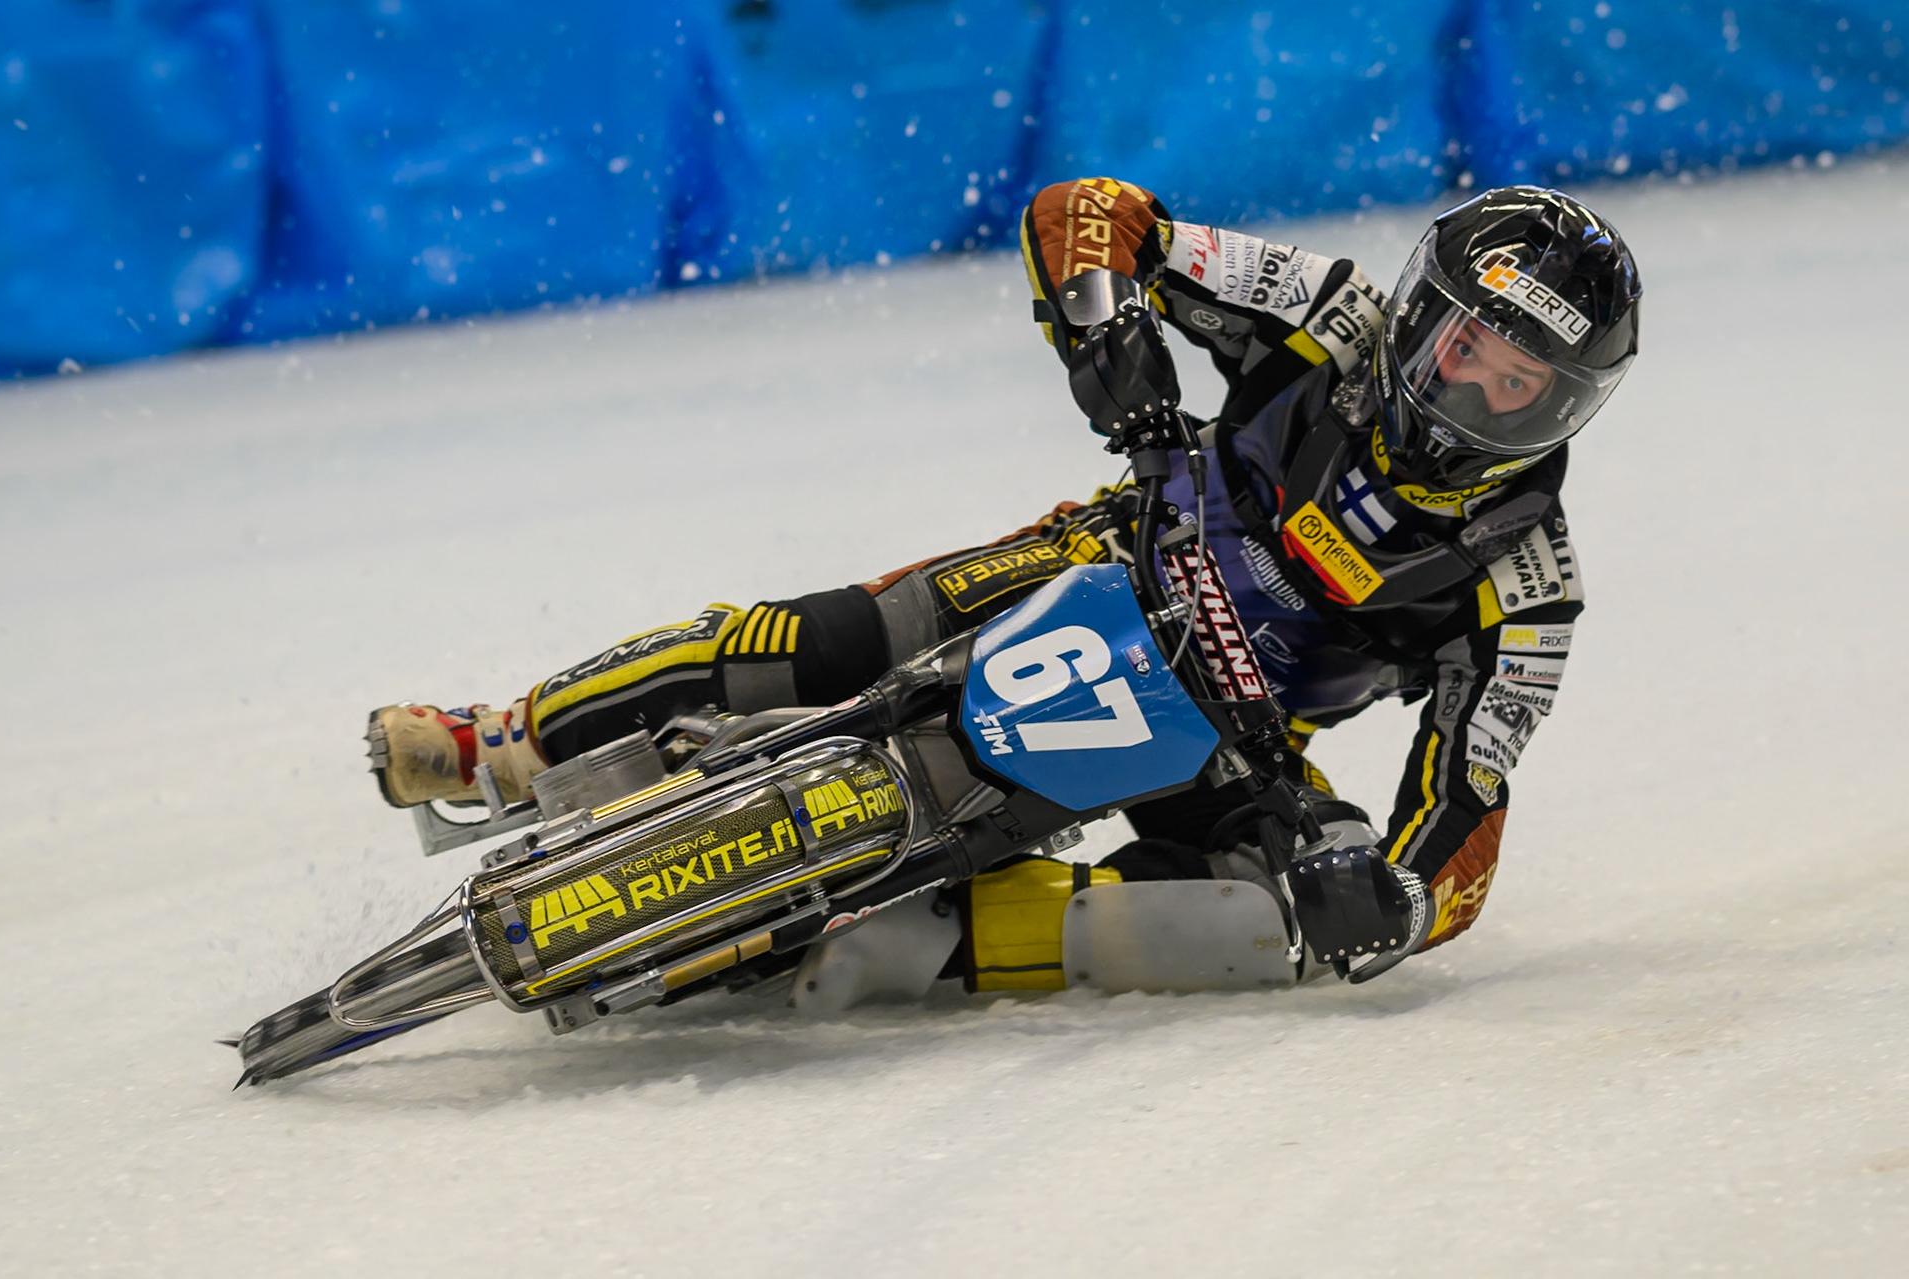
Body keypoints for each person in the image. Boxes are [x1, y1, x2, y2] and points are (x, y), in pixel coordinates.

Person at [366, 179, 1640, 993]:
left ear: (1570, 407)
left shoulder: (1531, 586)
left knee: (1265, 924)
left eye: (1521, 385)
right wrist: (1113, 334)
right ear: (1418, 314)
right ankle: (503, 741)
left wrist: (1394, 902)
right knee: (818, 639)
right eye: (1469, 348)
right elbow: (1090, 213)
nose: (1475, 396)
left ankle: (927, 947)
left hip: (1236, 741)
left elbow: (1468, 812)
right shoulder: (1331, 311)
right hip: (1102, 558)